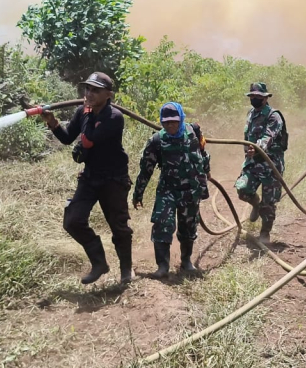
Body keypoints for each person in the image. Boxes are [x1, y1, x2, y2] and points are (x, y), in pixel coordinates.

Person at [41, 72, 135, 285]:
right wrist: (53, 123)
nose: (89, 93)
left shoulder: (114, 118)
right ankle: (99, 263)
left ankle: (126, 271)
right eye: (87, 89)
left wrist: (88, 111)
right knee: (73, 221)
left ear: (108, 94)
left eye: (95, 90)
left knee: (118, 226)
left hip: (113, 179)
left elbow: (89, 140)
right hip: (91, 176)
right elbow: (67, 139)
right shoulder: (82, 111)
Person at [132, 102, 211, 278]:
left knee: (188, 226)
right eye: (166, 122)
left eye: (173, 121)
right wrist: (138, 193)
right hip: (167, 190)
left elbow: (203, 154)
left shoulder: (193, 132)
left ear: (181, 119)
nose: (170, 125)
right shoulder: (157, 141)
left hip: (190, 191)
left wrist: (206, 172)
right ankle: (162, 266)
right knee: (162, 225)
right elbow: (146, 169)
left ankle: (186, 261)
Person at [235, 82, 288, 245]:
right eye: (252, 97)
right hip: (252, 162)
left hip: (270, 165)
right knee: (242, 190)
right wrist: (249, 151)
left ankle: (265, 233)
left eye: (258, 97)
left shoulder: (274, 116)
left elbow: (268, 136)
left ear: (265, 98)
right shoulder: (251, 113)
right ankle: (255, 204)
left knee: (269, 202)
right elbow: (247, 135)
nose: (255, 99)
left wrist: (257, 148)